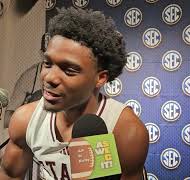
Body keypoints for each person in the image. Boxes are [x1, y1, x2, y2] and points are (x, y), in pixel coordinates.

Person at [0, 7, 149, 180]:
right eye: (47, 64)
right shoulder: (26, 119)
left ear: (100, 78)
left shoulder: (125, 130)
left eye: (69, 70)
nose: (49, 78)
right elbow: (10, 175)